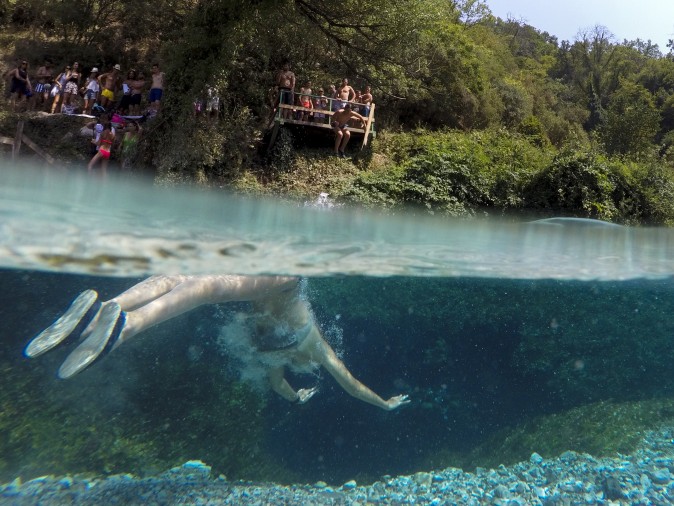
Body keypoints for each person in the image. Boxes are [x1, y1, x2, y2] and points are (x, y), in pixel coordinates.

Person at [25, 275, 410, 411]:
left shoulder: (305, 350)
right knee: (196, 283)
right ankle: (109, 320)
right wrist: (384, 404)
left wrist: (296, 397)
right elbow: (349, 385)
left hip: (285, 279)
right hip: (281, 281)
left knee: (190, 278)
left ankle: (113, 315)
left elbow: (347, 382)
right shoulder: (299, 354)